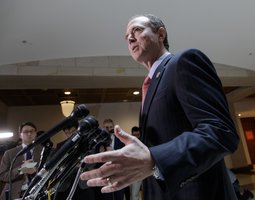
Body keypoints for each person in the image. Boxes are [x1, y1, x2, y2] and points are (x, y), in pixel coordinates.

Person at [80, 14, 240, 200]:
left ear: (161, 34)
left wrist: (155, 159)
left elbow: (220, 131)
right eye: (127, 36)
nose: (130, 38)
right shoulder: (150, 83)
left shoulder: (184, 62)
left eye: (137, 30)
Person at [0, 122, 42, 199]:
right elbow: (2, 176)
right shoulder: (10, 153)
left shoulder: (44, 151)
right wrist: (20, 169)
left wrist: (36, 170)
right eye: (26, 132)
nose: (29, 134)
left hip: (37, 193)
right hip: (14, 194)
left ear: (35, 133)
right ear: (20, 135)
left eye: (32, 131)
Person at [130, 126, 142, 200]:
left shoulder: (144, 143)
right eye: (134, 135)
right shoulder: (129, 144)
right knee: (133, 194)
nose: (136, 137)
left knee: (135, 195)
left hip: (143, 172)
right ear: (132, 134)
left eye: (138, 135)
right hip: (133, 172)